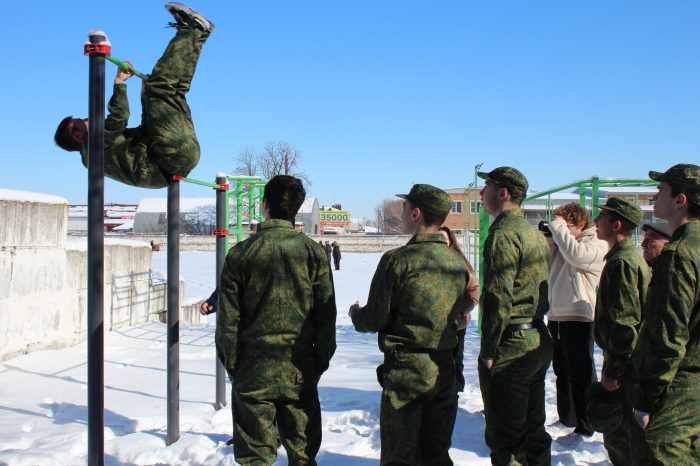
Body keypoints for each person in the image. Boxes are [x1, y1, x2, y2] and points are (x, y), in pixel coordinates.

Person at [216, 175, 337, 465]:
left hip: (254, 368)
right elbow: (326, 315)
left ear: (265, 204)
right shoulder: (313, 253)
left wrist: (235, 365)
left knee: (255, 457)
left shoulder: (241, 253)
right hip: (300, 367)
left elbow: (228, 321)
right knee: (303, 454)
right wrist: (318, 361)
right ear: (295, 209)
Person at [349, 184, 468, 465]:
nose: (401, 212)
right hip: (444, 369)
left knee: (399, 456)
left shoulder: (397, 261)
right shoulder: (456, 262)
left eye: (404, 207)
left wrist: (356, 314)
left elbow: (375, 317)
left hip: (407, 373)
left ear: (416, 213)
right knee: (436, 454)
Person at [54, 2, 214, 189]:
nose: (88, 117)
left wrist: (143, 91)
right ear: (78, 135)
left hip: (172, 159)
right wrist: (119, 84)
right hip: (167, 157)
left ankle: (199, 35)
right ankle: (191, 30)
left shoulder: (101, 152)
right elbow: (119, 117)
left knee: (171, 91)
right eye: (82, 121)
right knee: (159, 88)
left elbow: (144, 131)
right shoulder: (94, 146)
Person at [477, 167, 552, 466]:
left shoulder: (504, 234)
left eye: (488, 187)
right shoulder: (531, 233)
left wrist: (489, 349)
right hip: (535, 337)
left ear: (504, 193)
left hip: (512, 342)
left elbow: (498, 296)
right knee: (533, 431)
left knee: (507, 436)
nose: (482, 194)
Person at [632, 164, 700, 465]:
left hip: (681, 385)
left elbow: (669, 335)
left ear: (680, 200)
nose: (653, 196)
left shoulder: (679, 253)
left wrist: (648, 399)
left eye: (661, 190)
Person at [592, 197, 653, 465]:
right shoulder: (623, 258)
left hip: (626, 366)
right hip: (627, 361)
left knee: (622, 439)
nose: (595, 221)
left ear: (616, 224)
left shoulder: (622, 263)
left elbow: (625, 322)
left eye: (601, 216)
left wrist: (613, 370)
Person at [545, 203, 608, 440]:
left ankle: (586, 424)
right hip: (557, 315)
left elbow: (576, 256)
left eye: (564, 223)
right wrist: (551, 238)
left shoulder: (596, 243)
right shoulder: (563, 242)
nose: (559, 228)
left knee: (581, 373)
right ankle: (567, 417)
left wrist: (559, 227)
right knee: (561, 370)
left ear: (580, 223)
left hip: (580, 315)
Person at [438, 225, 480, 392]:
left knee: (455, 357)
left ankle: (456, 390)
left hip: (456, 322)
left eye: (444, 239)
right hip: (433, 323)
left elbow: (474, 292)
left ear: (450, 242)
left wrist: (459, 312)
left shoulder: (460, 263)